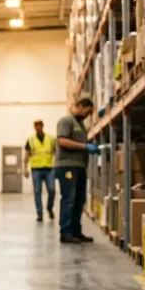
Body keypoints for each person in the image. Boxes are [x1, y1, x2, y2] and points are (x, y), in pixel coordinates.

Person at [56, 95, 101, 244]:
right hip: (67, 166)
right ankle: (65, 232)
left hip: (80, 166)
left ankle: (76, 231)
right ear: (80, 106)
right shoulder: (66, 121)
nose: (87, 115)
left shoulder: (81, 125)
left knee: (79, 199)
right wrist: (84, 147)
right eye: (87, 112)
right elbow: (61, 141)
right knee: (69, 198)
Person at [24, 119, 57, 222]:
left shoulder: (51, 139)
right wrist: (25, 168)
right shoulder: (30, 140)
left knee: (52, 190)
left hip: (49, 169)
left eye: (39, 125)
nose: (38, 127)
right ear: (34, 127)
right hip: (36, 169)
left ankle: (49, 208)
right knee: (37, 192)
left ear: (43, 126)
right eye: (36, 126)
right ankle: (39, 213)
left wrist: (57, 165)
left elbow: (56, 153)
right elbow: (27, 155)